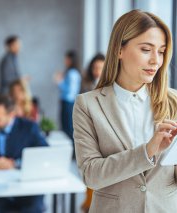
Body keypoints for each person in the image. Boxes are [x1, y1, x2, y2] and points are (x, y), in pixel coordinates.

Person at [72, 10, 177, 213]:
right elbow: (91, 176)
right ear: (119, 50)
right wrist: (147, 150)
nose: (155, 61)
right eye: (146, 49)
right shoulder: (88, 105)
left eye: (161, 51)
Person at [0, 93, 48, 213]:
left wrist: (15, 164)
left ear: (11, 115)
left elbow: (45, 155)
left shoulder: (29, 127)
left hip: (26, 192)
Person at [79, 53, 105, 213]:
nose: (98, 71)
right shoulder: (86, 87)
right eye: (95, 68)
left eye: (101, 68)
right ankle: (89, 205)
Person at [54, 50, 81, 142]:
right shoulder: (72, 72)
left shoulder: (72, 73)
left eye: (66, 59)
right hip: (68, 102)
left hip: (68, 102)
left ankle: (72, 149)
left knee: (67, 127)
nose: (65, 61)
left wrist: (59, 81)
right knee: (66, 126)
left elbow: (70, 90)